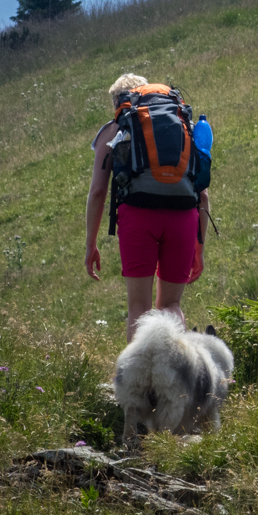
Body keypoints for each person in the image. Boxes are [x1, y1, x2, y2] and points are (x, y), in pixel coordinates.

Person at [85, 73, 210, 341]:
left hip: (138, 217)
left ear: (118, 102)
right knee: (171, 306)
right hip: (183, 218)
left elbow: (98, 192)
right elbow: (203, 194)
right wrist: (199, 245)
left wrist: (90, 243)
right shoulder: (181, 122)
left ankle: (141, 381)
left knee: (139, 309)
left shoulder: (113, 129)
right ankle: (176, 376)